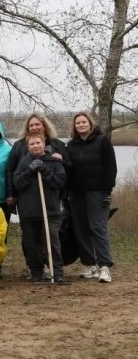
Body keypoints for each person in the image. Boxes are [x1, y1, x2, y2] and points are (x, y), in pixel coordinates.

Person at [67, 112, 117, 283]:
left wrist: (107, 191)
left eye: (83, 122)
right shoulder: (71, 145)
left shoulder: (102, 141)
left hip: (97, 192)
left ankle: (104, 267)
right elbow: (69, 168)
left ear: (90, 123)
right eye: (77, 123)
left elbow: (111, 168)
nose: (80, 125)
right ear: (74, 127)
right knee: (81, 229)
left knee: (97, 227)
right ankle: (90, 265)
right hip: (77, 193)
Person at [13, 133, 68, 284]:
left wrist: (44, 170)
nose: (35, 146)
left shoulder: (54, 162)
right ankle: (37, 272)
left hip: (50, 211)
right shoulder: (24, 163)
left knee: (52, 240)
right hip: (29, 212)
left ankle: (57, 272)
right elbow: (17, 183)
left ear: (44, 144)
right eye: (32, 144)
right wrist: (30, 170)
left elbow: (59, 182)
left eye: (38, 143)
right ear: (28, 146)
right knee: (32, 244)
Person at [6, 113, 70, 211]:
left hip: (51, 197)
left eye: (37, 124)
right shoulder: (18, 146)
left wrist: (62, 160)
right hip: (27, 197)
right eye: (31, 125)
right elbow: (10, 169)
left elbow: (68, 168)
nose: (34, 127)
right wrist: (10, 194)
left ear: (44, 126)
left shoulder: (57, 145)